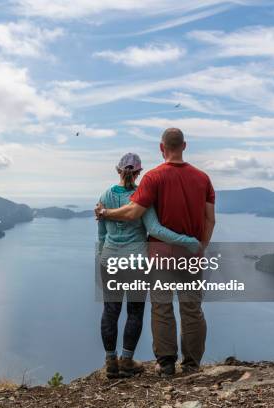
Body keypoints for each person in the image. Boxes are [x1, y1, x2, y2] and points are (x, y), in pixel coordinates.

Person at [96, 128, 216, 377]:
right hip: (188, 254)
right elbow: (210, 219)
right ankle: (192, 365)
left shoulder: (152, 178)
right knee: (191, 309)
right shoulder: (203, 178)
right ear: (185, 145)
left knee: (161, 308)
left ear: (162, 148)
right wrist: (200, 246)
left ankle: (166, 364)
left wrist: (105, 214)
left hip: (157, 254)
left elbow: (132, 213)